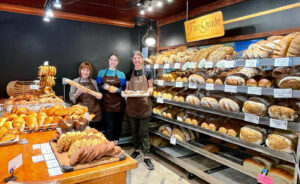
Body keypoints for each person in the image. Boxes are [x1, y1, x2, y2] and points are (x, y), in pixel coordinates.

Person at [125, 51, 154, 170]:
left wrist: (149, 92)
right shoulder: (129, 73)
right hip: (132, 105)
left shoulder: (147, 72)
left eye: (138, 58)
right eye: (135, 58)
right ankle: (136, 150)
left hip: (144, 105)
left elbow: (151, 86)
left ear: (142, 59)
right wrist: (126, 93)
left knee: (144, 132)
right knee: (134, 131)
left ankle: (146, 156)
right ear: (133, 60)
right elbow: (127, 88)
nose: (136, 60)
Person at [96, 53, 126, 144]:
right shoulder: (101, 72)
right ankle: (109, 145)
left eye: (115, 60)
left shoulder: (121, 74)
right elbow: (98, 87)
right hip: (106, 104)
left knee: (117, 126)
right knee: (109, 126)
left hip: (118, 104)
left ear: (118, 62)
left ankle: (115, 144)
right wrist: (103, 87)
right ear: (108, 60)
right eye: (111, 59)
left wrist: (117, 90)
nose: (113, 62)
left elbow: (123, 89)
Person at [69, 62, 102, 128]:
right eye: (83, 70)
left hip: (94, 113)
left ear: (90, 72)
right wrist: (78, 93)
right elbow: (71, 99)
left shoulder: (93, 82)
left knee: (94, 135)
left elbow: (98, 94)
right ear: (80, 71)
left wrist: (100, 96)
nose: (85, 72)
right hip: (81, 114)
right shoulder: (74, 81)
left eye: (87, 70)